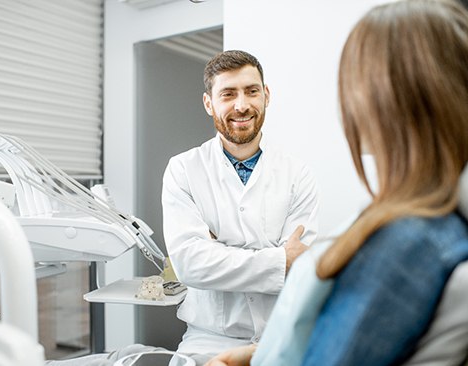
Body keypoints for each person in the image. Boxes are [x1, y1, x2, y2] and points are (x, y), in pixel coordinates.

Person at [206, 0, 468, 365]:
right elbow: (194, 262)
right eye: (228, 94)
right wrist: (262, 352)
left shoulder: (406, 245)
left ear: (382, 101)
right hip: (221, 336)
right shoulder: (422, 222)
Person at [161, 50, 319, 364]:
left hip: (282, 333)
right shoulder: (183, 170)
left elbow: (300, 265)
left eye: (251, 91)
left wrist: (219, 252)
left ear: (266, 95)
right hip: (208, 340)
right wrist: (277, 258)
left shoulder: (297, 174)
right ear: (209, 103)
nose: (242, 105)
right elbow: (191, 264)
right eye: (228, 94)